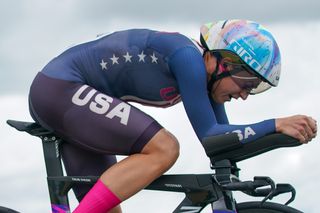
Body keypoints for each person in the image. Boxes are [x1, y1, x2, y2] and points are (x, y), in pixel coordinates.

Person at [28, 19, 317, 213]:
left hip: (73, 102)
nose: (244, 94)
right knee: (165, 147)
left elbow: (223, 143)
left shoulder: (207, 79)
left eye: (254, 90)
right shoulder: (188, 59)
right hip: (59, 89)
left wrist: (280, 137)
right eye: (246, 82)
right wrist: (275, 124)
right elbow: (210, 136)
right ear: (219, 61)